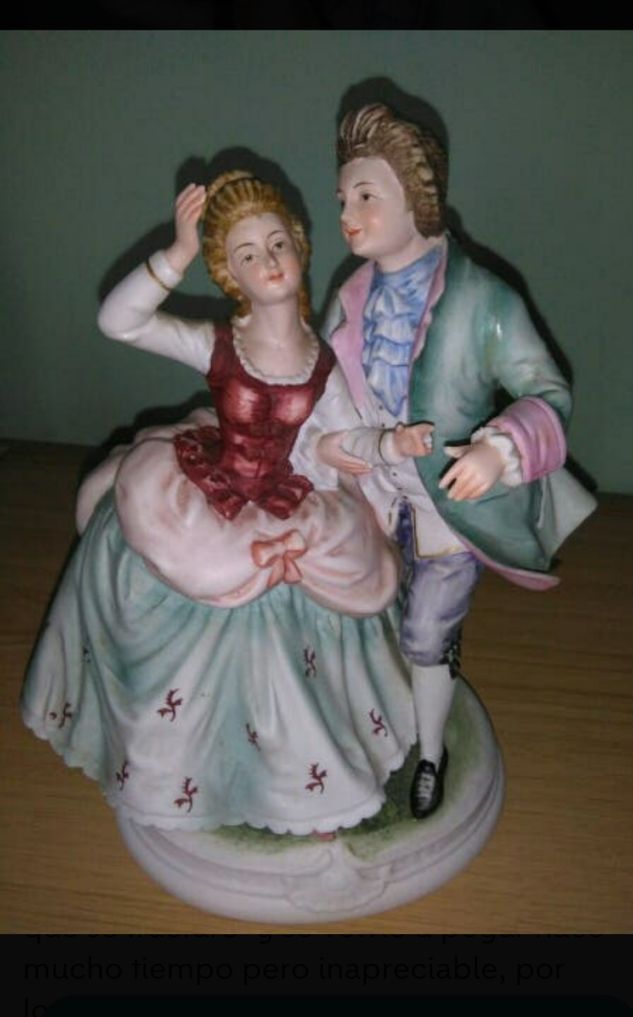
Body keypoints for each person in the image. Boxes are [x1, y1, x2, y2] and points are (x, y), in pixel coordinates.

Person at [21, 169, 435, 837]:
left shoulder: (322, 362)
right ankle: (185, 765)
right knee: (209, 580)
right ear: (229, 274)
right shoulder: (219, 345)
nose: (268, 261)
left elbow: (334, 440)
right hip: (210, 495)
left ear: (299, 248)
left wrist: (386, 447)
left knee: (338, 582)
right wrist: (176, 253)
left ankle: (308, 775)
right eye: (248, 254)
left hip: (290, 496)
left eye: (277, 244)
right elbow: (117, 321)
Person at [323, 103, 596, 819]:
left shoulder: (483, 299)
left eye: (365, 196)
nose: (347, 216)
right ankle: (375, 725)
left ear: (415, 197)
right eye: (343, 198)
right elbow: (322, 391)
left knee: (425, 633)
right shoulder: (349, 299)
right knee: (359, 616)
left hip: (450, 504)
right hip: (371, 494)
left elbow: (548, 391)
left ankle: (431, 755)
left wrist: (498, 449)